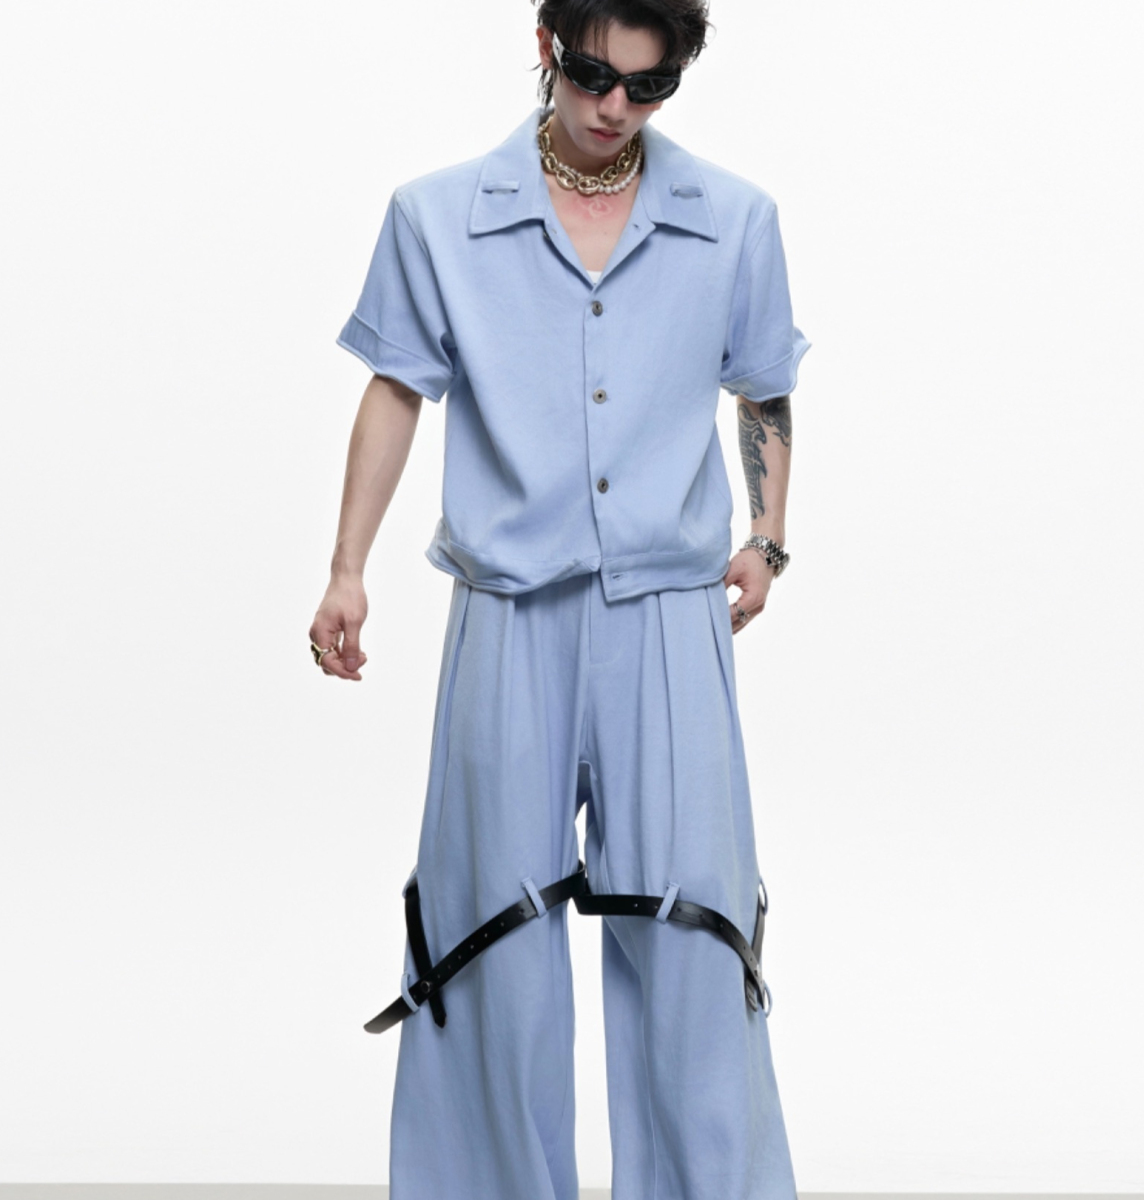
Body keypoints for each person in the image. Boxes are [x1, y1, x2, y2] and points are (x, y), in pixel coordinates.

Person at [309, 2, 811, 1196]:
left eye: (648, 86)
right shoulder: (438, 214)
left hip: (670, 616)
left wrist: (768, 540)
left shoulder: (734, 218)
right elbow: (397, 389)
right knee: (486, 934)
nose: (614, 106)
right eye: (593, 74)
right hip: (509, 610)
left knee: (698, 935)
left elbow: (763, 386)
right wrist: (347, 567)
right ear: (547, 44)